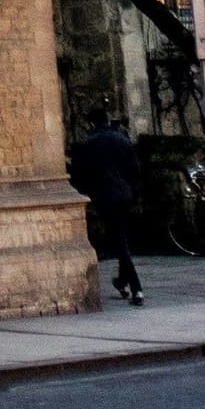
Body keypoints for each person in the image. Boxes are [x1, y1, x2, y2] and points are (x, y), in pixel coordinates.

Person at [66, 117, 146, 305]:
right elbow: (135, 170)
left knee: (119, 242)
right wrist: (131, 190)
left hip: (104, 197)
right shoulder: (122, 140)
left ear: (92, 124)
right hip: (124, 195)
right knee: (120, 239)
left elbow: (80, 174)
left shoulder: (89, 144)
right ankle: (122, 280)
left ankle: (137, 288)